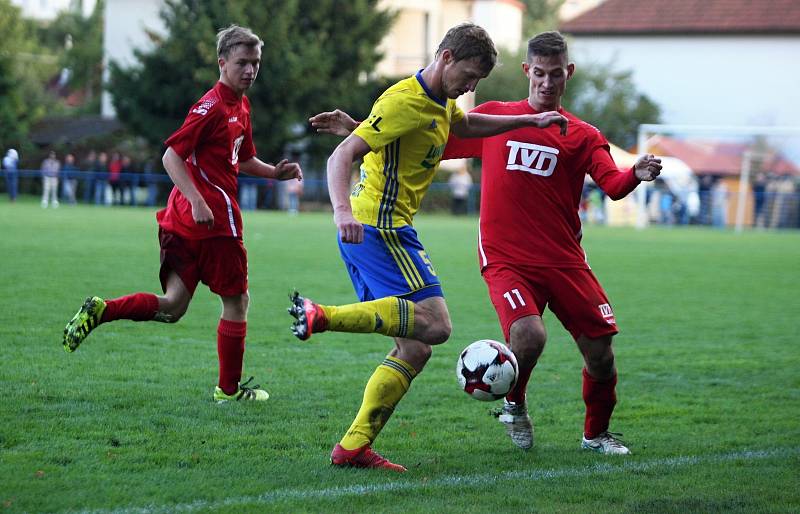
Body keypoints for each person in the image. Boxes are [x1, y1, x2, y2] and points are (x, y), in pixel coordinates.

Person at [312, 31, 662, 456]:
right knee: (515, 334)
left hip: (565, 260)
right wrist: (356, 143)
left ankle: (596, 435)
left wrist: (635, 173)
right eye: (539, 73)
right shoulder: (468, 111)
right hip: (495, 255)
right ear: (526, 71)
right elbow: (418, 138)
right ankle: (513, 402)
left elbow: (612, 183)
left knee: (599, 353)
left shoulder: (580, 134)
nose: (547, 82)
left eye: (556, 74)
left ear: (567, 73)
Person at [295, 22, 568, 472]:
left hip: (388, 229)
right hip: (379, 230)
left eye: (478, 82)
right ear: (445, 57)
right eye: (469, 76)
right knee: (437, 326)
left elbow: (468, 123)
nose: (470, 88)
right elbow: (341, 155)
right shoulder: (406, 99)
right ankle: (320, 315)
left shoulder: (440, 102)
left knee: (415, 348)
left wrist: (529, 118)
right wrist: (341, 211)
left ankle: (353, 448)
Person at [62, 24, 303, 403]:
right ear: (222, 63)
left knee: (173, 306)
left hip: (183, 221)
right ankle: (227, 392)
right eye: (242, 62)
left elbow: (242, 158)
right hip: (213, 223)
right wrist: (198, 199)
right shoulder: (210, 107)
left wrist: (274, 172)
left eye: (255, 63)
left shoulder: (242, 104)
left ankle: (102, 310)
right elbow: (170, 156)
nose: (250, 71)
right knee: (237, 302)